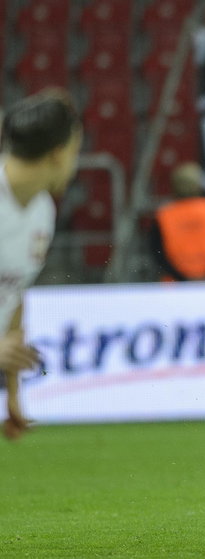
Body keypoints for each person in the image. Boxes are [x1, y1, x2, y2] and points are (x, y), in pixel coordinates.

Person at [0, 89, 83, 440]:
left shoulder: (41, 211)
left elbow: (13, 292)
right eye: (76, 151)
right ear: (58, 154)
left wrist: (12, 393)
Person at [149, 162, 205, 281]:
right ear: (199, 185)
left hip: (175, 284)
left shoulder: (164, 214)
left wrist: (180, 277)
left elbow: (157, 252)